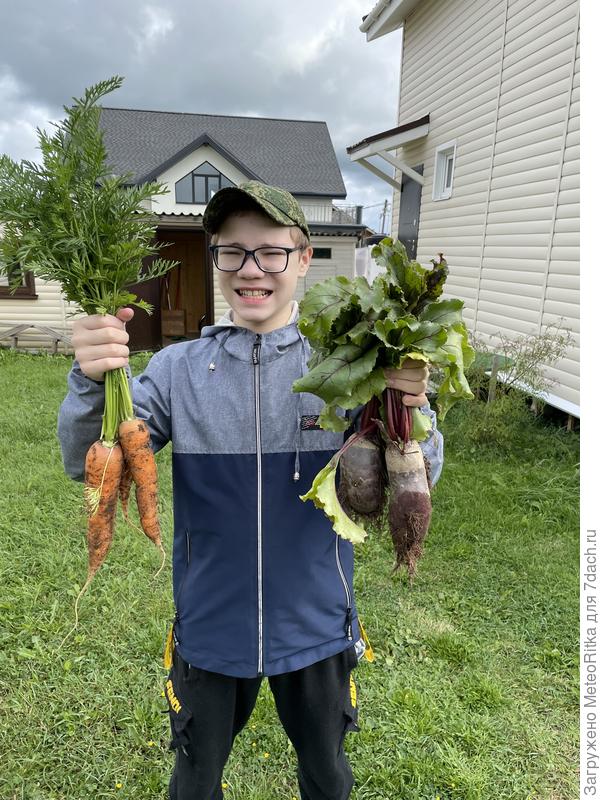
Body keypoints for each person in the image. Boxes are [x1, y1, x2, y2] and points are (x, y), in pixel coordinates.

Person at [57, 181, 443, 800]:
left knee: (327, 773)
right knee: (195, 778)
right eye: (231, 252)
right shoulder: (176, 372)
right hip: (212, 625)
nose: (251, 269)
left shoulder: (347, 365)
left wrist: (414, 410)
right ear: (216, 259)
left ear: (304, 257)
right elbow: (89, 467)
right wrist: (88, 379)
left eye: (271, 251)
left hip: (317, 623)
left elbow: (420, 474)